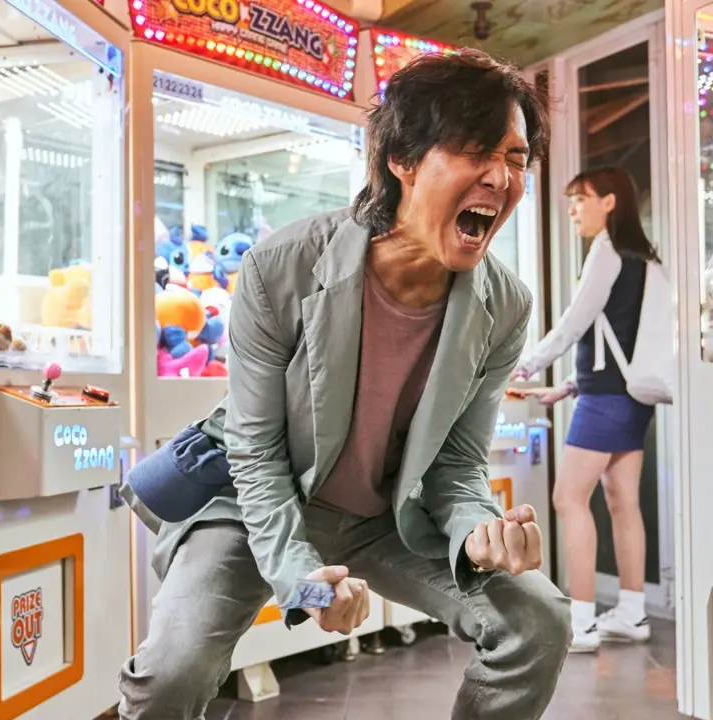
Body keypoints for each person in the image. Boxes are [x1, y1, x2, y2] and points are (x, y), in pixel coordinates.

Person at [118, 50, 572, 719]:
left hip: (385, 521)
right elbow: (254, 452)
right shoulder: (281, 267)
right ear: (402, 159)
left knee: (537, 620)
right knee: (171, 675)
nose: (501, 177)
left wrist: (480, 531)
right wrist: (305, 585)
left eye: (515, 158)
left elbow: (456, 466)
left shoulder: (505, 306)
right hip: (251, 504)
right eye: (476, 150)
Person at [511, 166, 659, 654]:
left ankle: (580, 621)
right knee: (622, 501)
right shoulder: (643, 256)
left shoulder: (607, 250)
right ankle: (632, 613)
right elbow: (619, 337)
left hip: (606, 399)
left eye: (581, 199)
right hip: (630, 395)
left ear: (609, 202)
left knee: (568, 498)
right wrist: (571, 386)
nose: (573, 210)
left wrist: (525, 366)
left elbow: (575, 323)